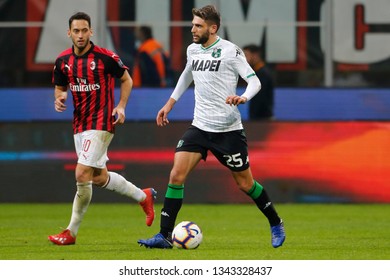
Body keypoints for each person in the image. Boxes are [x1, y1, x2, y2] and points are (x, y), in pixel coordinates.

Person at [138, 5, 285, 249]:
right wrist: (170, 104)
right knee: (176, 175)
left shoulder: (230, 51)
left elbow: (254, 81)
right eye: (193, 24)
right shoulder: (193, 50)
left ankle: (276, 222)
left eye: (198, 25)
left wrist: (243, 98)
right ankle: (164, 235)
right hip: (200, 127)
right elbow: (188, 74)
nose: (192, 29)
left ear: (212, 28)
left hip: (228, 131)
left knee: (245, 184)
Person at [48, 12, 156, 246]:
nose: (80, 35)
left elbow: (126, 79)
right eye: (75, 31)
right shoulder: (62, 61)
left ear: (91, 32)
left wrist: (121, 106)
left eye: (84, 30)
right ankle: (143, 195)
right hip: (80, 124)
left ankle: (70, 233)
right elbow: (60, 87)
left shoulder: (106, 58)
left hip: (102, 122)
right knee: (98, 177)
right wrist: (59, 98)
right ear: (69, 33)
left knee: (81, 173)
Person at [242, 44, 275, 120]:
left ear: (255, 55)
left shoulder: (263, 73)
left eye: (246, 55)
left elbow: (260, 98)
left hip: (262, 119)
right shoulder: (255, 72)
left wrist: (254, 118)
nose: (244, 58)